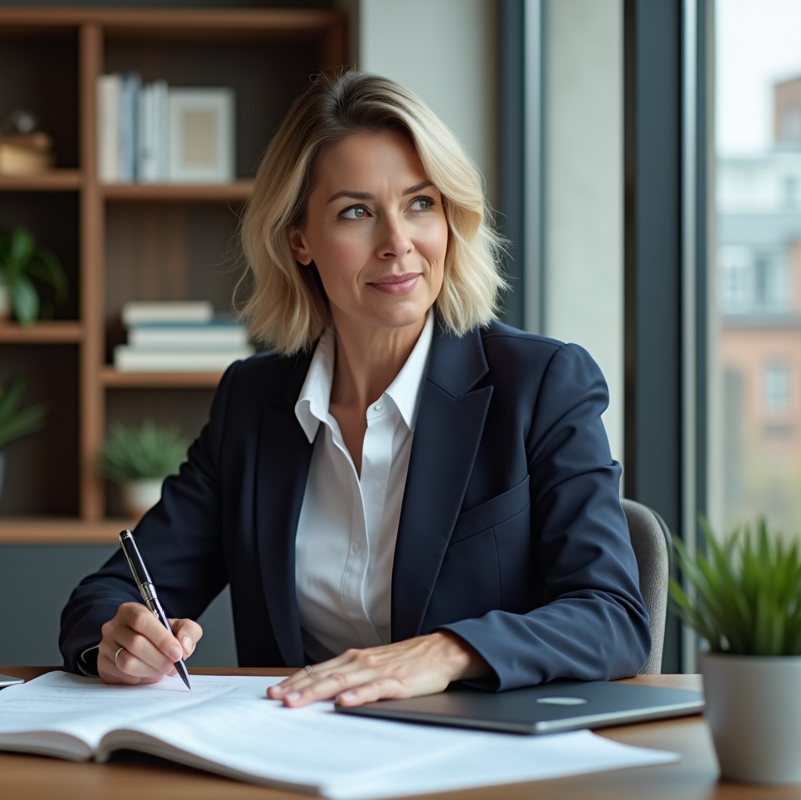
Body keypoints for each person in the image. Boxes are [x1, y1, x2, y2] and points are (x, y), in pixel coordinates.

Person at [59, 70, 650, 708]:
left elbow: (612, 617)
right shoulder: (253, 402)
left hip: (477, 761)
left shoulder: (540, 384)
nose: (399, 243)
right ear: (300, 240)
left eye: (422, 204)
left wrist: (448, 651)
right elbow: (109, 597)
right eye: (356, 212)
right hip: (296, 757)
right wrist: (119, 640)